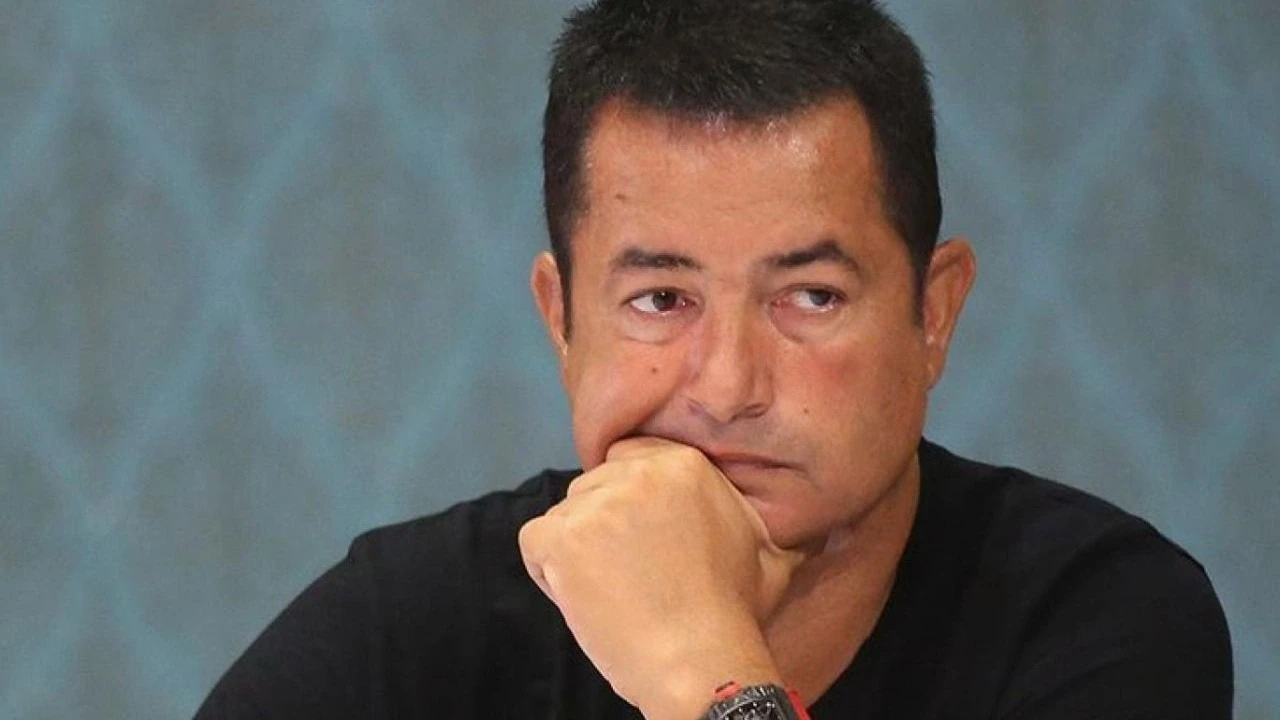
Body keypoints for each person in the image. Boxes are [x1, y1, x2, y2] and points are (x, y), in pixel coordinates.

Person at [194, 1, 1233, 718]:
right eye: (661, 300)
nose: (729, 387)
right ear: (562, 322)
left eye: (810, 297)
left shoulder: (1098, 617)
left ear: (932, 314)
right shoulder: (410, 627)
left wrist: (707, 676)